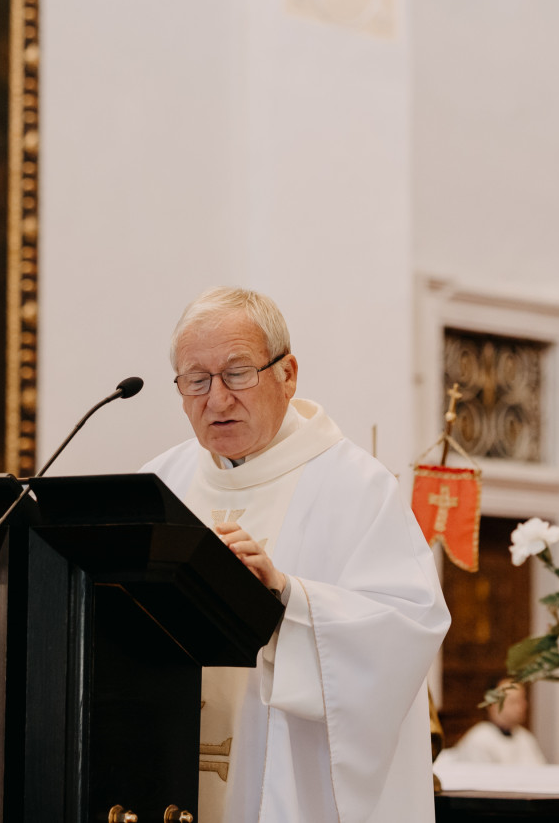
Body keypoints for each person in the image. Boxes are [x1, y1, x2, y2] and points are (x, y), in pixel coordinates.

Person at [141, 287, 450, 823]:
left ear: (287, 374)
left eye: (238, 373)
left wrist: (286, 597)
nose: (217, 399)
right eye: (197, 380)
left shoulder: (354, 486)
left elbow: (412, 624)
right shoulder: (158, 484)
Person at [441, 682, 548, 767]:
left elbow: (540, 773)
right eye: (513, 701)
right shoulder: (480, 738)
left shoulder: (525, 738)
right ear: (492, 705)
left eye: (523, 700)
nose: (522, 706)